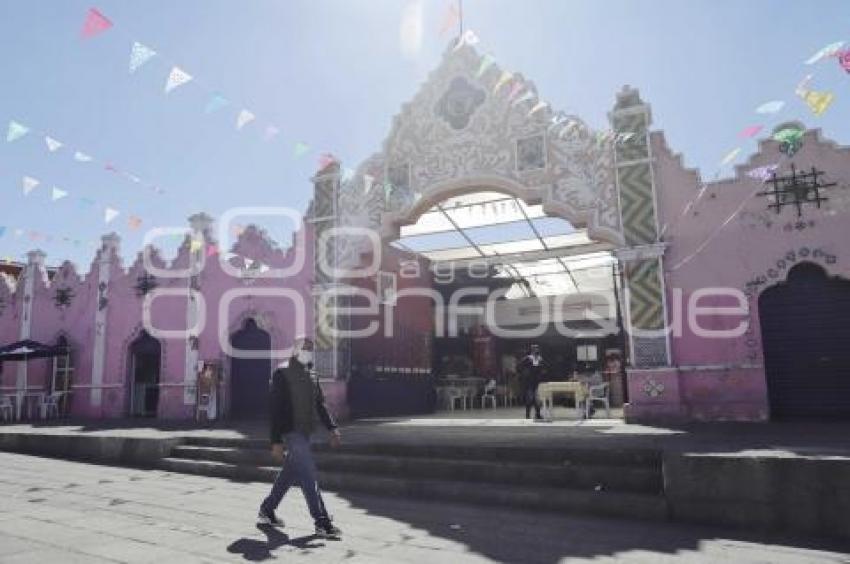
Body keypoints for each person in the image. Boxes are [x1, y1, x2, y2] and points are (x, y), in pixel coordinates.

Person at [258, 337, 342, 539]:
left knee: (289, 473)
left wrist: (332, 428)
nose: (308, 351)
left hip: (305, 432)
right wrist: (276, 441)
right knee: (308, 473)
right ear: (295, 350)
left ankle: (267, 511)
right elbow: (275, 409)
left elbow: (320, 404)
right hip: (291, 431)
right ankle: (322, 522)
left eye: (311, 348)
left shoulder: (312, 373)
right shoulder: (282, 372)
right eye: (305, 348)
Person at [517, 344, 546, 420]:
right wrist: (524, 373)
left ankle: (538, 414)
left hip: (537, 381)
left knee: (537, 399)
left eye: (537, 349)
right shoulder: (527, 358)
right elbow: (519, 366)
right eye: (534, 349)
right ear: (532, 350)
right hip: (529, 382)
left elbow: (544, 368)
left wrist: (542, 373)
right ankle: (527, 415)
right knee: (529, 398)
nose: (536, 350)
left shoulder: (540, 359)